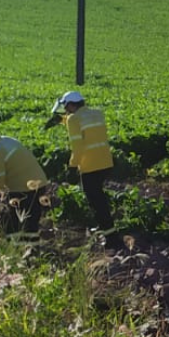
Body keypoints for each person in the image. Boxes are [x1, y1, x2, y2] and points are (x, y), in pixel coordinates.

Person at [53, 90, 115, 232]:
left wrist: (72, 167)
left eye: (66, 107)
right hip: (106, 162)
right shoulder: (97, 113)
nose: (66, 110)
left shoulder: (73, 120)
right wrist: (63, 120)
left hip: (90, 166)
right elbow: (86, 123)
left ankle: (110, 234)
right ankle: (105, 226)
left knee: (96, 202)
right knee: (99, 197)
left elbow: (78, 147)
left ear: (71, 105)